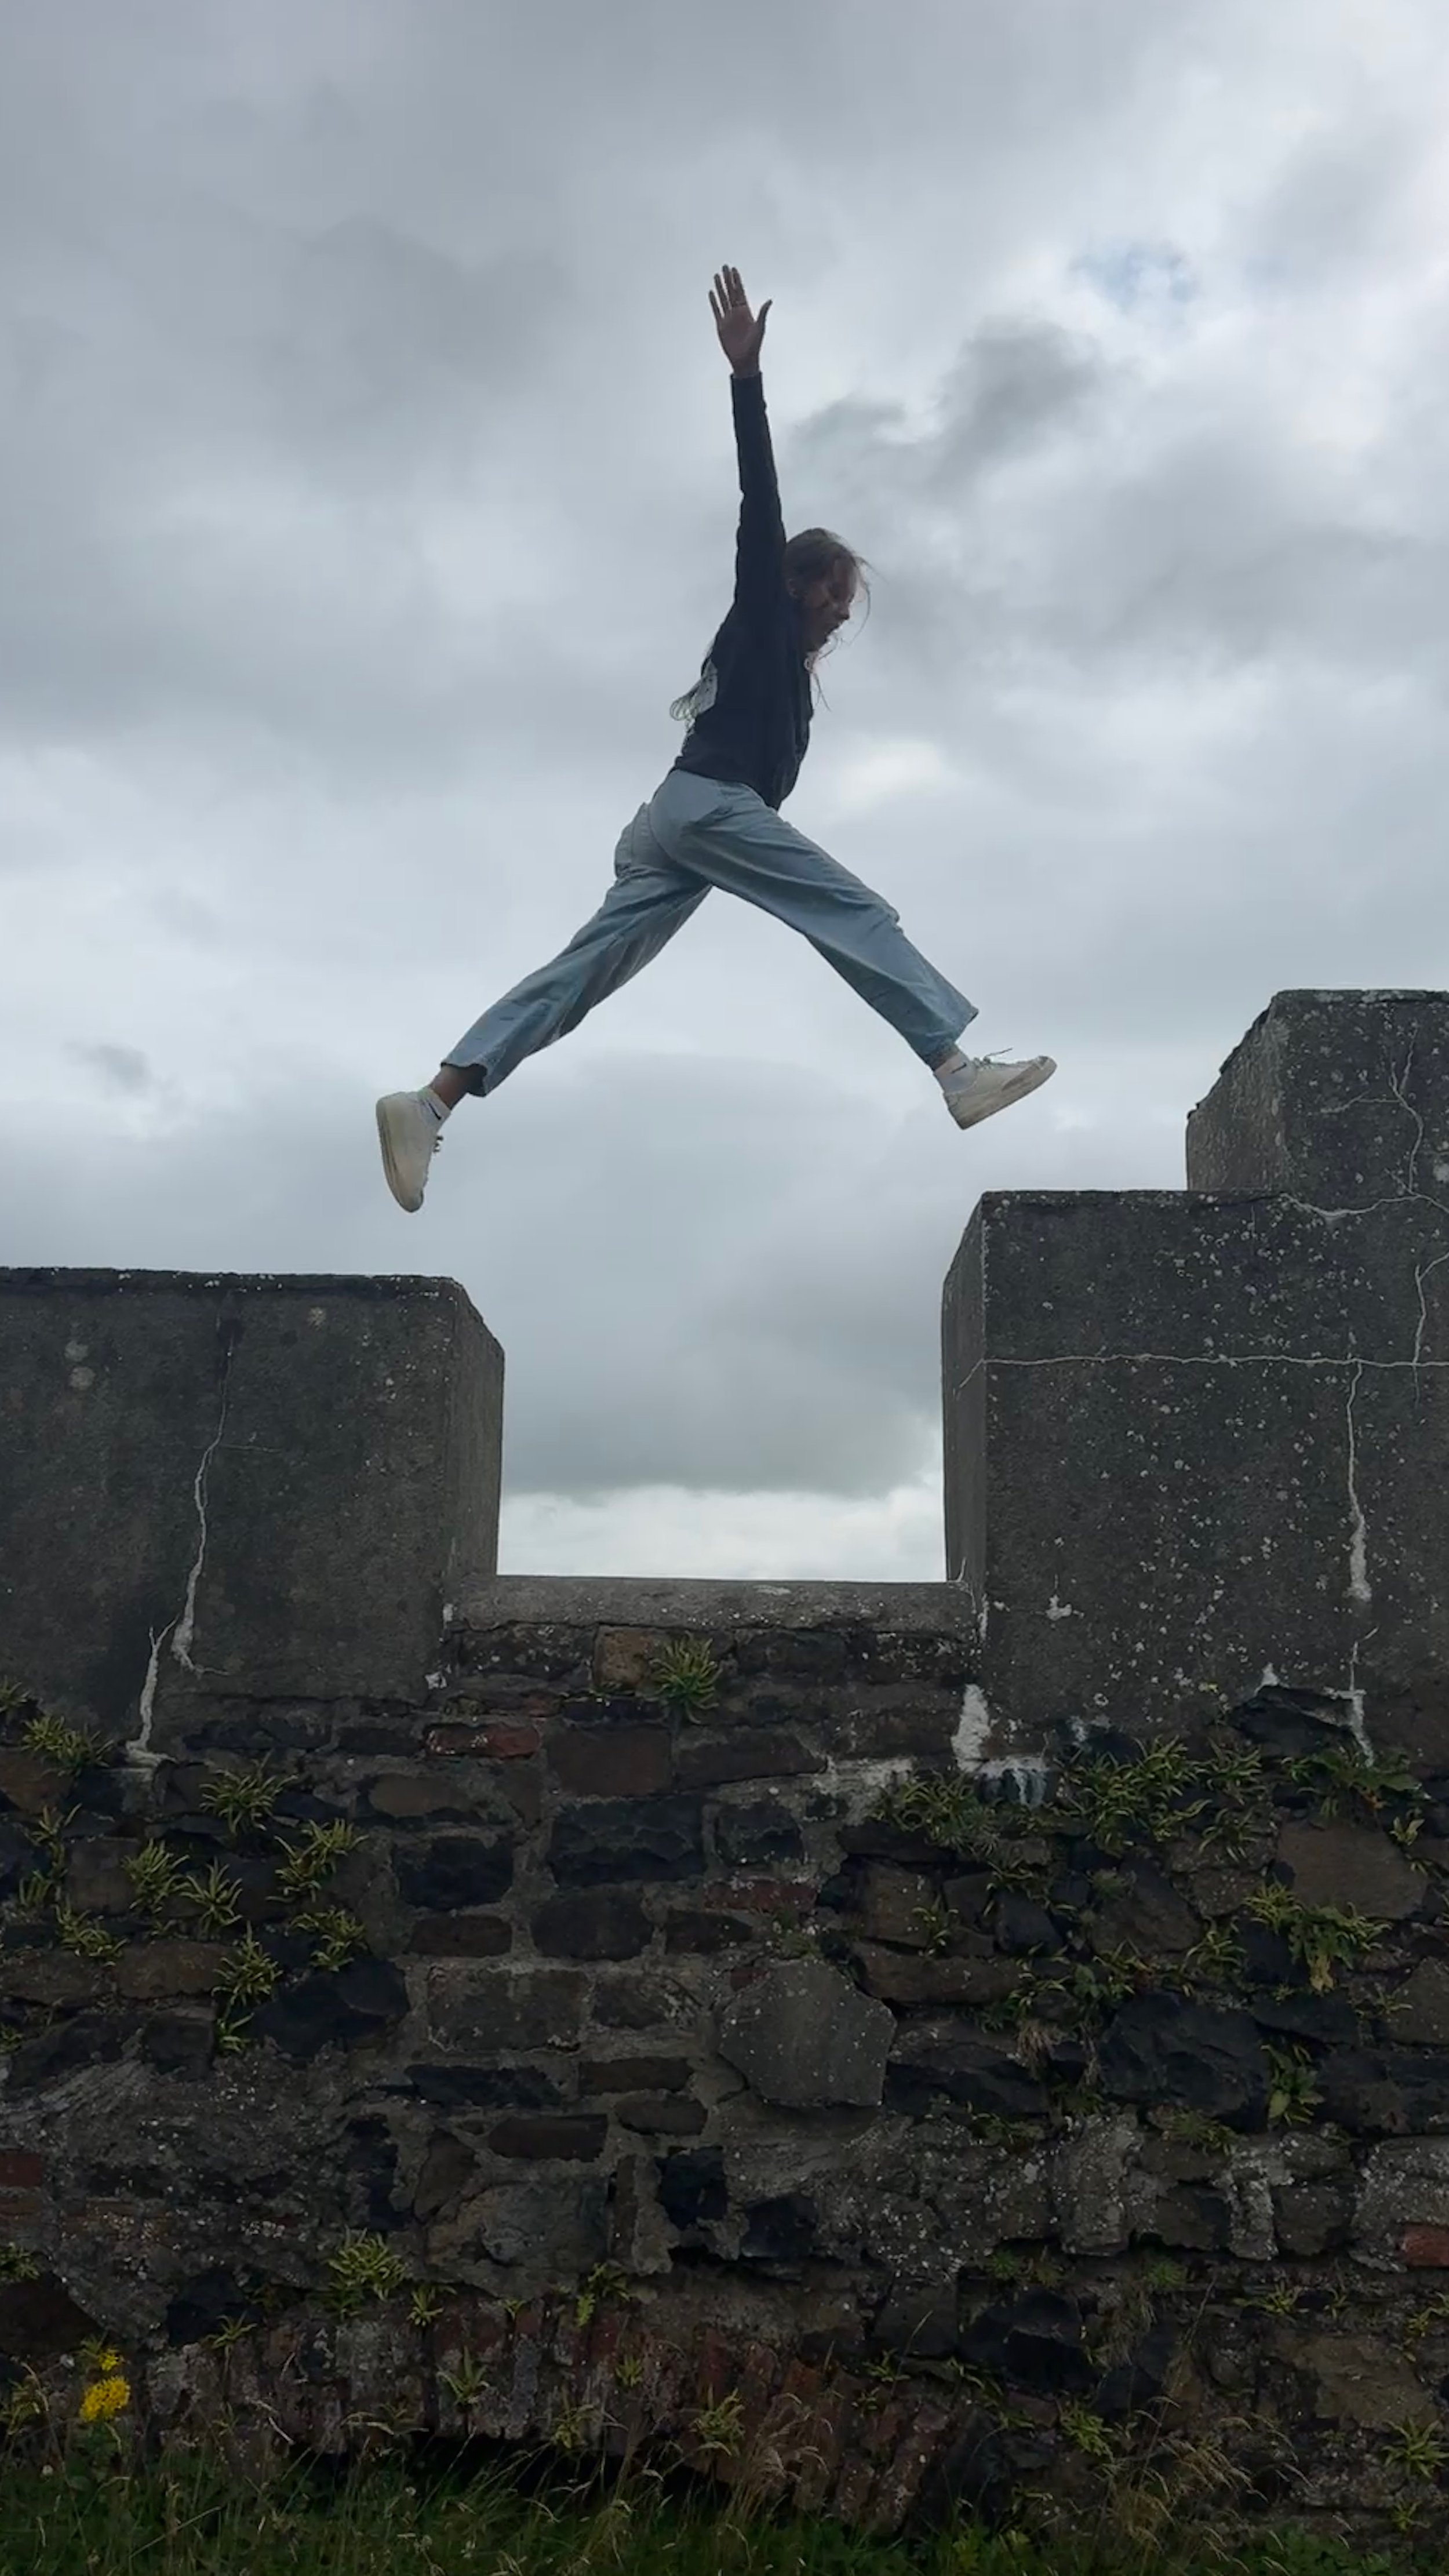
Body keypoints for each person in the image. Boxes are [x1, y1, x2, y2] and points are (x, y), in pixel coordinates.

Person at [376, 265, 1054, 1213]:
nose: (837, 618)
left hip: (670, 825)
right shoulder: (764, 616)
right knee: (856, 913)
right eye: (835, 598)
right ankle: (953, 1068)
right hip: (703, 807)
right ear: (799, 585)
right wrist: (747, 381)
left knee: (581, 975)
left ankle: (432, 1101)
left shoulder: (781, 676)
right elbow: (759, 504)